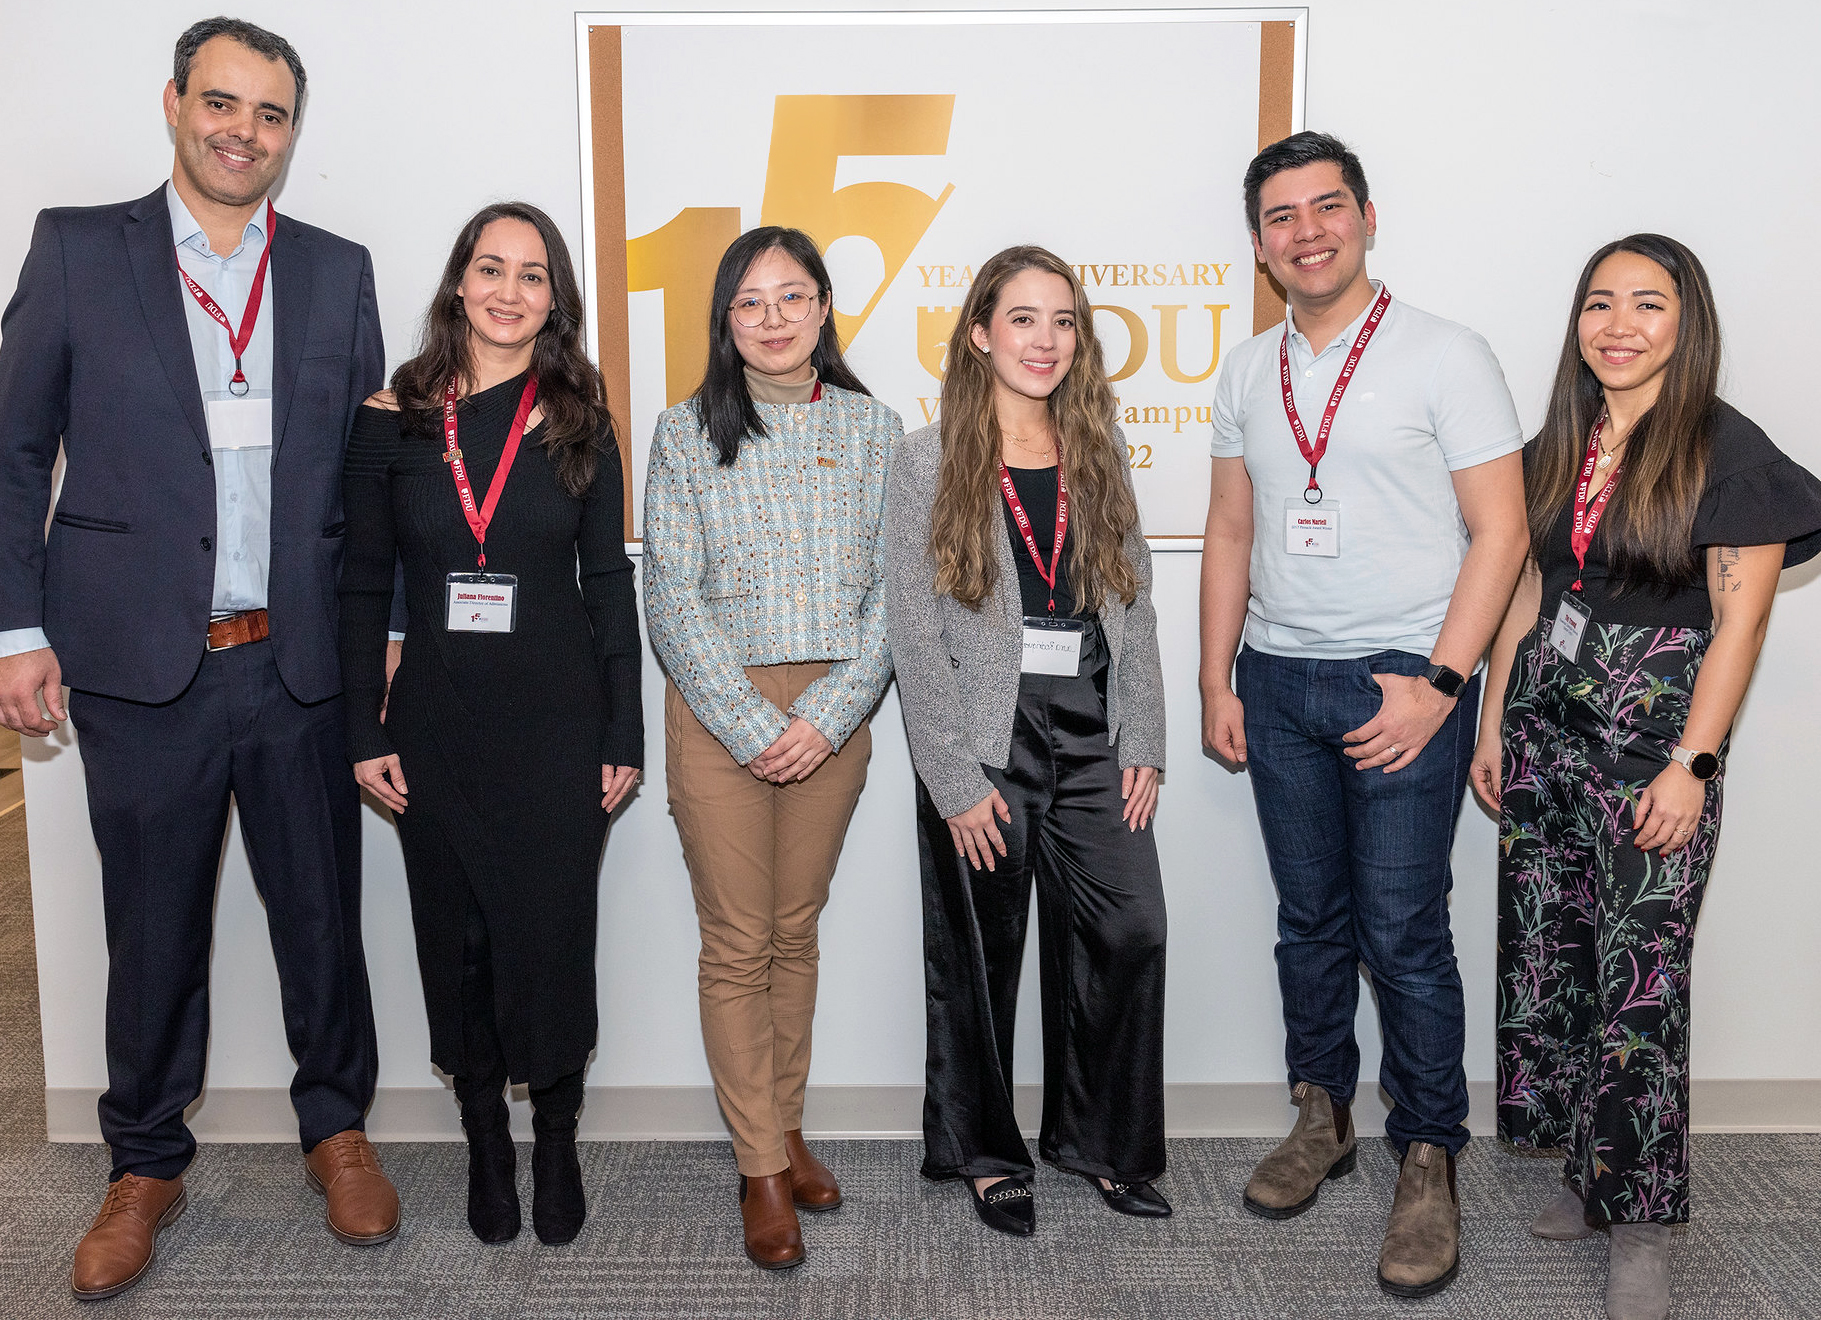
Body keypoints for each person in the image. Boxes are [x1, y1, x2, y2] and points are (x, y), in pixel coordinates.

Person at [0, 19, 399, 1299]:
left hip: (295, 665)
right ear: (174, 104)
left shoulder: (337, 273)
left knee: (322, 920)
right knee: (153, 926)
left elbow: (372, 485)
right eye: (222, 103)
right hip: (136, 665)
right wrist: (15, 628)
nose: (245, 131)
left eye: (271, 114)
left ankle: (336, 1127)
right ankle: (145, 1162)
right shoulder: (75, 250)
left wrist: (385, 635)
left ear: (293, 133)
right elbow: (12, 454)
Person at [1199, 132, 1529, 1297]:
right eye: (1281, 217)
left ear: (1368, 216)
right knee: (1310, 921)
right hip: (1280, 679)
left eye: (1325, 207)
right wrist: (1214, 677)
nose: (1307, 231)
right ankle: (1321, 1111)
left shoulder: (1448, 354)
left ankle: (1430, 1152)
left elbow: (1504, 531)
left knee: (1404, 931)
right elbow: (1231, 532)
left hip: (1404, 677)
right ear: (1259, 243)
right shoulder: (1248, 370)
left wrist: (1442, 686)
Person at [1472, 235, 1821, 1320]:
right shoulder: (1565, 440)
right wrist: (1494, 721)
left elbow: (1742, 620)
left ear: (1687, 322)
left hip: (1651, 745)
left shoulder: (1727, 448)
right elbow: (1530, 589)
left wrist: (1693, 764)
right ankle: (1587, 1176)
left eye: (1647, 305)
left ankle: (1645, 1221)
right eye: (1598, 304)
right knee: (1557, 960)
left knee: (1640, 989)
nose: (1618, 325)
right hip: (1547, 733)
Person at [338, 201, 642, 1247]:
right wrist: (360, 731)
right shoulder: (391, 419)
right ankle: (483, 1139)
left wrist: (624, 732)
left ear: (555, 297)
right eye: (491, 268)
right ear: (459, 281)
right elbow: (358, 583)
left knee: (553, 938)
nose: (509, 291)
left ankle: (555, 1138)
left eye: (532, 274)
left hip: (560, 723)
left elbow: (607, 582)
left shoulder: (579, 418)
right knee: (455, 939)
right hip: (432, 722)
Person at [887, 245, 1170, 1239]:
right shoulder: (927, 459)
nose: (1045, 340)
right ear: (979, 333)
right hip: (981, 739)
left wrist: (1146, 734)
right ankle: (985, 1153)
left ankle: (1101, 1144)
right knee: (979, 953)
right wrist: (953, 779)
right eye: (1023, 319)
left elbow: (1133, 607)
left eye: (1062, 321)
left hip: (1092, 729)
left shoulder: (1098, 448)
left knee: (1130, 930)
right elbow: (913, 633)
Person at [643, 226, 898, 1271]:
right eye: (752, 303)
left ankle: (786, 1128)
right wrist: (754, 725)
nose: (775, 319)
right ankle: (759, 1166)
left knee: (796, 932)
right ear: (726, 320)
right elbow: (671, 594)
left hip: (835, 710)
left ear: (826, 308)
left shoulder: (879, 429)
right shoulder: (684, 430)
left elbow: (896, 592)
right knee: (736, 941)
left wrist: (828, 716)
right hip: (720, 712)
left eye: (794, 298)